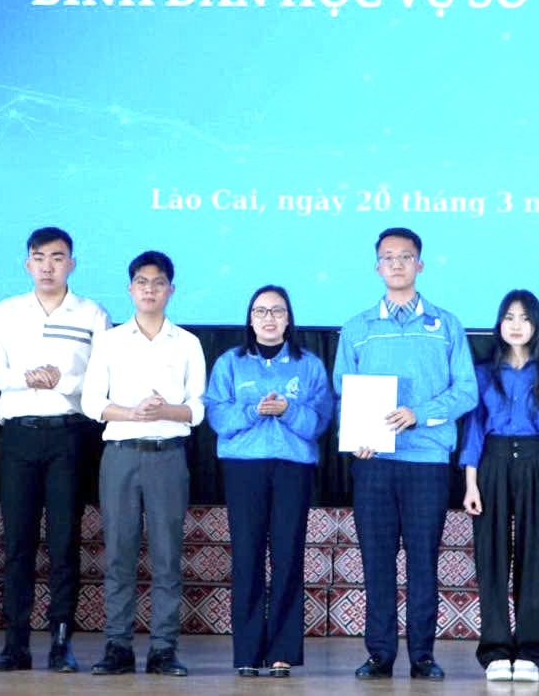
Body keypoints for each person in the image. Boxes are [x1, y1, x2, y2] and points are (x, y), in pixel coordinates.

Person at [333, 227, 477, 682]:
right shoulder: (357, 328)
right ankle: (379, 654)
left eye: (405, 256)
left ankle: (422, 655)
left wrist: (421, 414)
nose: (396, 264)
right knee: (376, 561)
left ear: (420, 264)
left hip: (427, 462)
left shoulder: (446, 324)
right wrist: (356, 434)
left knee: (422, 561)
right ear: (377, 267)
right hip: (373, 462)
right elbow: (342, 393)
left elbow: (467, 391)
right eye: (388, 257)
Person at [0, 226, 111, 673]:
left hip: (68, 435)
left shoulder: (92, 313)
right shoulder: (6, 311)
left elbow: (103, 375)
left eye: (57, 258)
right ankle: (15, 644)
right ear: (27, 264)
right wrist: (27, 379)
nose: (48, 266)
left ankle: (61, 643)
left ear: (71, 263)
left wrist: (62, 382)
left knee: (63, 542)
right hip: (18, 435)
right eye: (39, 258)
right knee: (17, 542)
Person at [81, 251, 207, 678]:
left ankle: (163, 649)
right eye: (141, 282)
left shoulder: (187, 343)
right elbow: (92, 401)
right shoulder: (110, 341)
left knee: (167, 556)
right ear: (130, 289)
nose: (149, 289)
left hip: (167, 456)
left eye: (158, 282)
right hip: (121, 455)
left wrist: (166, 411)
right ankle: (117, 645)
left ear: (171, 289)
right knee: (119, 553)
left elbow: (198, 407)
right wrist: (132, 413)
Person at [203, 285, 333, 678]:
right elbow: (217, 417)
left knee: (288, 557)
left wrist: (288, 409)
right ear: (250, 319)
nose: (269, 318)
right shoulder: (230, 362)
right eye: (261, 311)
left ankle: (282, 653)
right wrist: (254, 410)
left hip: (293, 468)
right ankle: (247, 651)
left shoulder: (309, 365)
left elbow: (320, 422)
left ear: (289, 319)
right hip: (244, 468)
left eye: (277, 311)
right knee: (247, 557)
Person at [459, 290, 539, 683]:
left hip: (537, 463)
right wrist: (470, 483)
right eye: (509, 317)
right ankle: (494, 649)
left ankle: (532, 650)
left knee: (535, 558)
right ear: (499, 324)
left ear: (537, 325)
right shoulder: (482, 374)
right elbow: (473, 430)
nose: (517, 325)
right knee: (491, 558)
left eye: (525, 317)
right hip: (492, 461)